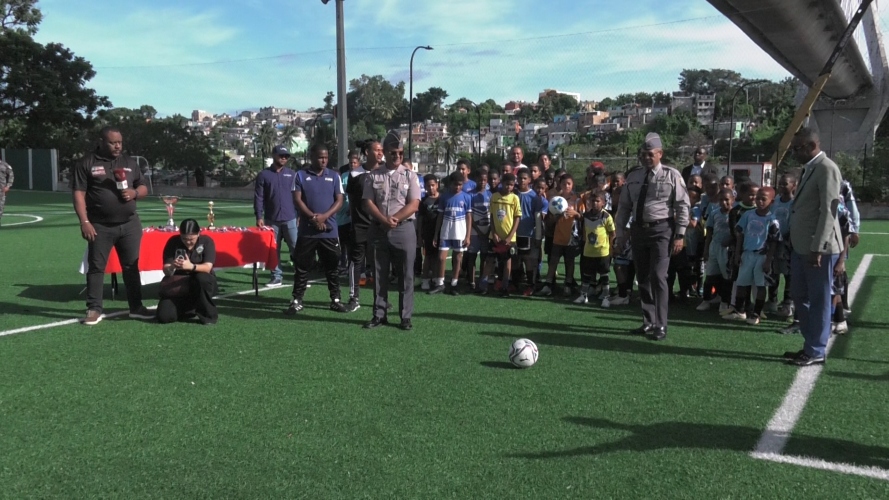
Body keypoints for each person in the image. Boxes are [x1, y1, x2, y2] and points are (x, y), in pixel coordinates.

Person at [72, 127, 154, 326]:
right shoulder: (87, 163)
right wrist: (84, 221)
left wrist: (134, 193)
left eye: (120, 142)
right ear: (101, 141)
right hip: (100, 225)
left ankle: (136, 307)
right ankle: (94, 309)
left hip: (130, 224)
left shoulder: (129, 162)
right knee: (97, 267)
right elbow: (78, 194)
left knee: (131, 266)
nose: (118, 146)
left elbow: (143, 187)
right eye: (112, 142)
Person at [615, 134, 690, 341]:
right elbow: (624, 207)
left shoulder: (671, 175)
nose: (646, 158)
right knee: (643, 277)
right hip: (639, 230)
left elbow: (682, 205)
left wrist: (680, 234)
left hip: (662, 230)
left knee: (658, 276)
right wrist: (620, 234)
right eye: (643, 154)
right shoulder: (634, 176)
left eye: (650, 154)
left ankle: (661, 324)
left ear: (660, 154)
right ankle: (648, 321)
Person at [784, 128, 843, 366]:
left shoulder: (827, 168)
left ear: (811, 146)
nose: (794, 153)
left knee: (818, 299)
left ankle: (817, 350)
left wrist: (818, 247)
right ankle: (810, 345)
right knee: (799, 295)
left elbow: (829, 212)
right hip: (802, 246)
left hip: (819, 249)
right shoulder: (811, 168)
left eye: (797, 148)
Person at [362, 131, 421, 330]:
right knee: (379, 274)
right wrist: (383, 219)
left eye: (400, 153)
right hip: (379, 228)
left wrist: (395, 219)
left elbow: (414, 204)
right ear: (385, 153)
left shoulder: (409, 175)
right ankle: (379, 314)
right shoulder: (373, 175)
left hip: (403, 229)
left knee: (406, 274)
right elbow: (368, 202)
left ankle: (405, 317)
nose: (397, 157)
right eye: (393, 153)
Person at [286, 144, 346, 315]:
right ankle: (297, 300)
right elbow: (297, 200)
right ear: (312, 157)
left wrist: (324, 217)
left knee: (332, 267)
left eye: (326, 157)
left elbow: (339, 201)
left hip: (329, 230)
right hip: (308, 231)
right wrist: (313, 217)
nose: (324, 160)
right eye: (320, 157)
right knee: (302, 267)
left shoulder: (334, 176)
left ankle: (335, 299)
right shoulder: (301, 175)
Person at [727, 187, 780, 325]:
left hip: (761, 256)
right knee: (741, 283)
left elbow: (774, 242)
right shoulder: (748, 215)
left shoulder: (772, 220)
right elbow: (740, 234)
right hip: (747, 254)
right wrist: (738, 253)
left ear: (771, 202)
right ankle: (740, 311)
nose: (760, 201)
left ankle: (756, 313)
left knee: (760, 285)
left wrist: (768, 260)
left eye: (764, 199)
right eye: (758, 198)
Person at [343, 142, 381, 311]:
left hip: (379, 225)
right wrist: (354, 220)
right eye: (377, 150)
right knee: (356, 262)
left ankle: (381, 299)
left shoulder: (385, 172)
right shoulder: (355, 174)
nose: (380, 153)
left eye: (382, 150)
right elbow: (351, 199)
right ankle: (354, 298)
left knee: (379, 263)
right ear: (367, 152)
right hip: (359, 225)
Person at [157, 219, 218, 324]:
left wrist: (191, 266)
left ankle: (208, 315)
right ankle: (191, 308)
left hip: (200, 284)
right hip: (179, 285)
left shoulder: (206, 242)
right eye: (184, 239)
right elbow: (166, 271)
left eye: (191, 239)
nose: (188, 242)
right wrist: (172, 266)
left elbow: (207, 267)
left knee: (202, 278)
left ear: (198, 233)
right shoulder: (173, 242)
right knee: (164, 316)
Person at [255, 145, 299, 287]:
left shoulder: (292, 174)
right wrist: (259, 216)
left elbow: (298, 196)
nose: (284, 158)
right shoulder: (264, 175)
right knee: (274, 249)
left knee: (296, 247)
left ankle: (301, 275)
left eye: (286, 156)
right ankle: (276, 276)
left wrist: (300, 215)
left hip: (290, 217)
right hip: (271, 219)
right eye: (281, 155)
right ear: (274, 156)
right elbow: (259, 197)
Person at [430, 171, 473, 295]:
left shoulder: (467, 197)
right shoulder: (444, 197)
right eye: (455, 184)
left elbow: (469, 217)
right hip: (446, 231)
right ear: (450, 184)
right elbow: (440, 215)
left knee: (458, 258)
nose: (458, 187)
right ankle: (440, 283)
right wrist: (436, 233)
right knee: (441, 258)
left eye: (460, 185)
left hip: (460, 232)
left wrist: (468, 235)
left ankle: (454, 284)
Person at [479, 173, 521, 297]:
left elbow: (517, 218)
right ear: (502, 183)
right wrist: (494, 232)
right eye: (507, 184)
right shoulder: (494, 197)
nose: (509, 187)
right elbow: (492, 216)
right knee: (490, 260)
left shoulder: (514, 198)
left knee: (507, 261)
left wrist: (509, 236)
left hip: (509, 238)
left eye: (512, 185)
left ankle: (505, 286)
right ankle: (483, 285)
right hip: (495, 237)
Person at [697, 188, 736, 313]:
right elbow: (709, 232)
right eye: (721, 200)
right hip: (714, 246)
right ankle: (706, 300)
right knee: (711, 275)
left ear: (733, 200)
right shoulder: (714, 213)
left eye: (727, 200)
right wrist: (706, 249)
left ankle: (725, 302)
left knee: (726, 277)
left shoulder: (736, 214)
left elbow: (738, 232)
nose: (724, 203)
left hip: (728, 249)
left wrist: (731, 240)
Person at [576, 191, 615, 304]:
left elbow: (612, 233)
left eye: (597, 201)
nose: (595, 203)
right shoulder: (586, 215)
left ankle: (606, 297)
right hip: (589, 251)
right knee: (587, 274)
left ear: (603, 203)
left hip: (602, 251)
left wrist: (611, 248)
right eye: (593, 201)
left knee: (604, 275)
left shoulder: (606, 216)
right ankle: (583, 295)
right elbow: (584, 231)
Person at [419, 174, 441, 291]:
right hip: (427, 233)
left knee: (438, 257)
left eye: (433, 185)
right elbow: (420, 219)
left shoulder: (442, 199)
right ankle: (425, 280)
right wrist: (419, 236)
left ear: (437, 185)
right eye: (428, 186)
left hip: (440, 234)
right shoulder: (423, 202)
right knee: (428, 257)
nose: (431, 188)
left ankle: (437, 278)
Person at [0, 158, 14, 226]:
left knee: (1, 206)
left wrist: (8, 186)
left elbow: (11, 175)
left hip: (1, 189)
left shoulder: (5, 165)